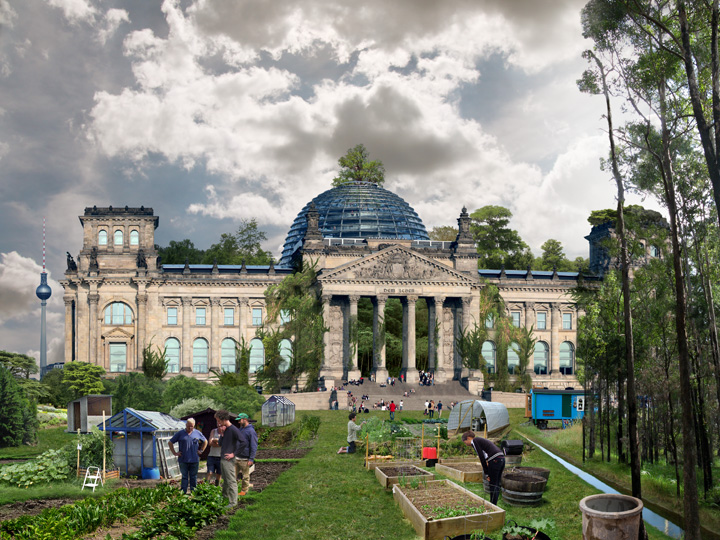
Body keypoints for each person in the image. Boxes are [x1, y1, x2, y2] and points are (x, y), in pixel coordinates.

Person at [462, 431, 505, 505]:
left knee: (493, 484)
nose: (466, 445)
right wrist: (488, 462)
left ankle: (493, 505)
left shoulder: (474, 441)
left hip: (495, 459)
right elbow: (486, 455)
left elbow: (481, 457)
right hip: (501, 458)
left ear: (468, 438)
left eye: (465, 442)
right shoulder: (480, 440)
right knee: (496, 483)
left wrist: (487, 473)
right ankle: (494, 504)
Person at [169, 418, 207, 494]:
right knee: (184, 476)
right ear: (186, 425)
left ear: (194, 426)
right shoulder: (180, 433)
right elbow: (170, 442)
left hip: (194, 459)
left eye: (192, 426)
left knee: (193, 476)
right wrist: (175, 453)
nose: (190, 428)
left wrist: (201, 450)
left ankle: (193, 492)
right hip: (183, 459)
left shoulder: (197, 433)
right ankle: (183, 492)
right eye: (189, 426)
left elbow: (205, 441)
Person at [215, 409, 243, 507]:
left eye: (218, 421)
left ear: (223, 419)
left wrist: (234, 454)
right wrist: (222, 434)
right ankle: (225, 497)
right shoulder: (226, 430)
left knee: (231, 480)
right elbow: (220, 443)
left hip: (228, 459)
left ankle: (233, 502)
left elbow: (243, 442)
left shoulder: (233, 429)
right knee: (226, 480)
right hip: (223, 458)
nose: (218, 423)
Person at [234, 413, 258, 496]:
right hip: (236, 457)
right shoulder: (240, 430)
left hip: (245, 458)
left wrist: (251, 459)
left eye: (240, 420)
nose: (239, 422)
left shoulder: (251, 431)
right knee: (232, 476)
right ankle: (232, 491)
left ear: (245, 419)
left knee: (245, 477)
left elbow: (254, 445)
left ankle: (244, 491)